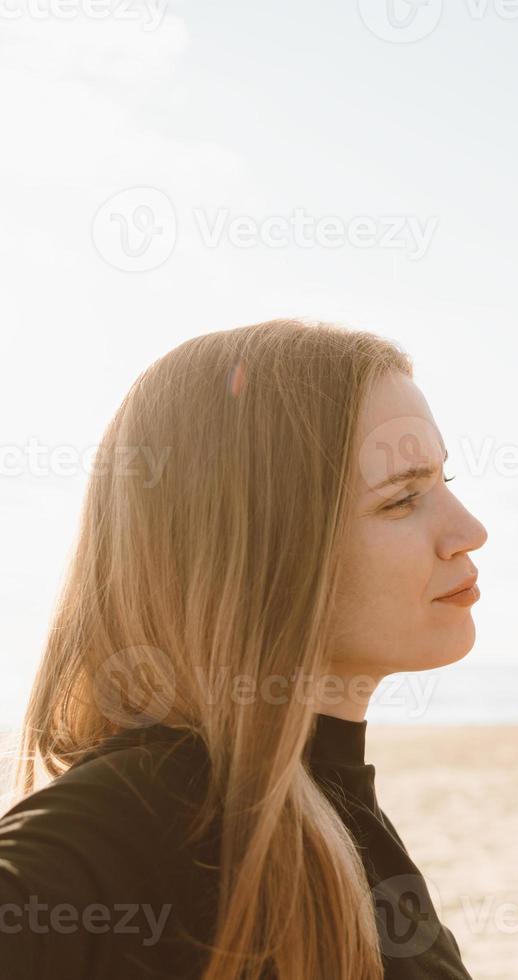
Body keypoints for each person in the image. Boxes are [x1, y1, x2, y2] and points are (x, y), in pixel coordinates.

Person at [0, 320, 485, 979]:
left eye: (444, 483)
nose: (469, 530)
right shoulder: (146, 811)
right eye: (403, 498)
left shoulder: (329, 800)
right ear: (256, 551)